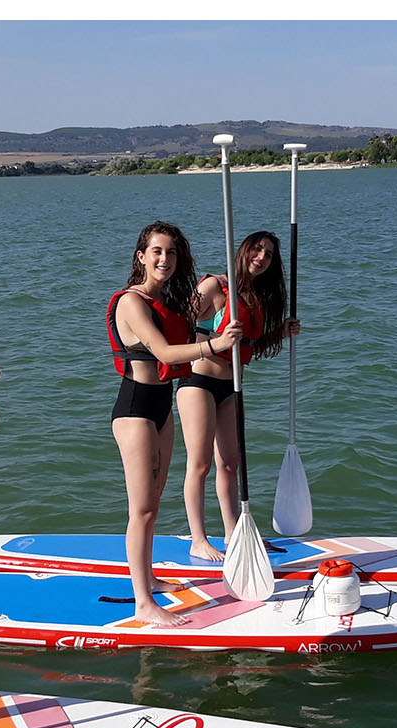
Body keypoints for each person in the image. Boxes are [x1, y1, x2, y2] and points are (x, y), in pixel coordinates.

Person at [108, 222, 241, 626]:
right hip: (135, 408)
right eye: (157, 252)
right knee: (142, 509)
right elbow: (164, 350)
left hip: (162, 404)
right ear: (141, 257)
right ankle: (143, 602)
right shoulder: (132, 302)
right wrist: (216, 344)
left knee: (156, 500)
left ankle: (147, 576)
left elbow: (195, 322)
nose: (164, 259)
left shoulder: (168, 300)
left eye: (171, 253)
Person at [176, 231, 299, 562]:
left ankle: (233, 533)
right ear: (244, 251)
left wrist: (279, 332)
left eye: (269, 254)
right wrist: (212, 335)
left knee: (230, 463)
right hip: (197, 381)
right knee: (200, 465)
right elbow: (177, 323)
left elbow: (248, 347)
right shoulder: (216, 286)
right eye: (257, 250)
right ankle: (198, 540)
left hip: (231, 388)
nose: (262, 257)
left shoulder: (257, 297)